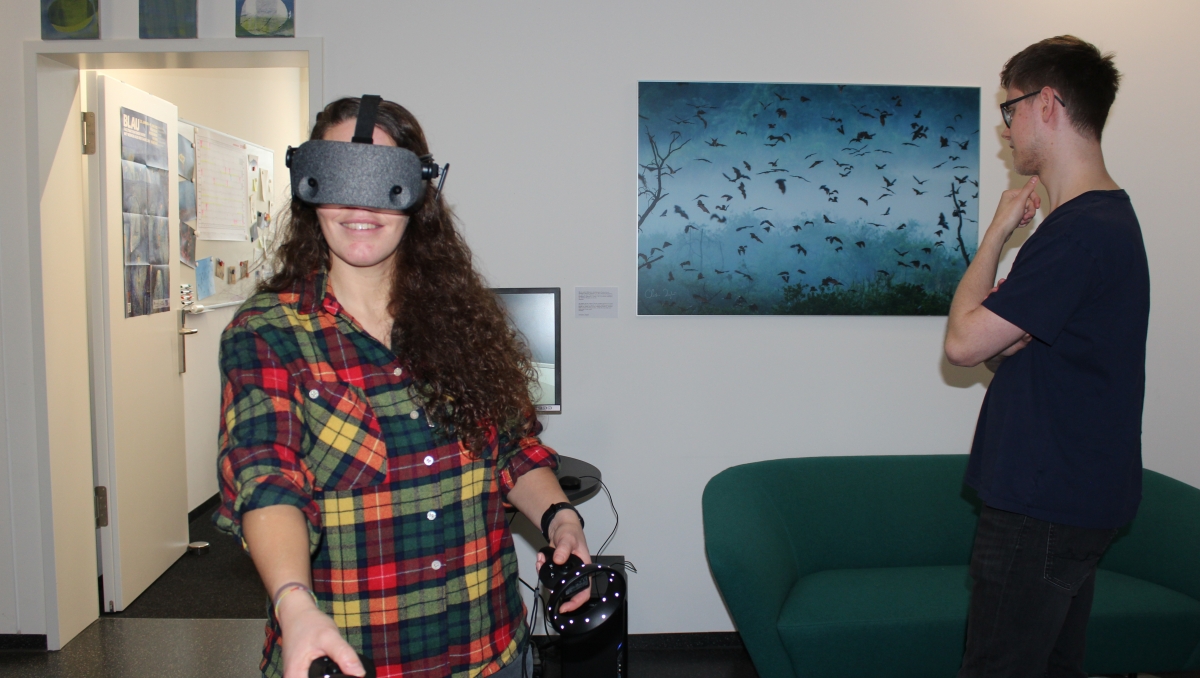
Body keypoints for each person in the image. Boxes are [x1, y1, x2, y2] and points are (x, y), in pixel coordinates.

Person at [215, 96, 591, 678]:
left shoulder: (462, 321)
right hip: (355, 659)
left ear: (417, 192)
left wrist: (560, 517)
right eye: (340, 178)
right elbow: (267, 481)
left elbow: (514, 450)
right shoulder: (269, 334)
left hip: (491, 652)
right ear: (309, 186)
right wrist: (294, 604)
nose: (360, 205)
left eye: (381, 181)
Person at [944, 36, 1149, 677]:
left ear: (1048, 104)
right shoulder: (1097, 224)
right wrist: (1004, 341)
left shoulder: (1079, 234)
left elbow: (962, 343)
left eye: (1010, 110)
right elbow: (1008, 353)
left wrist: (997, 231)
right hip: (1068, 499)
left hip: (1043, 505)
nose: (1005, 130)